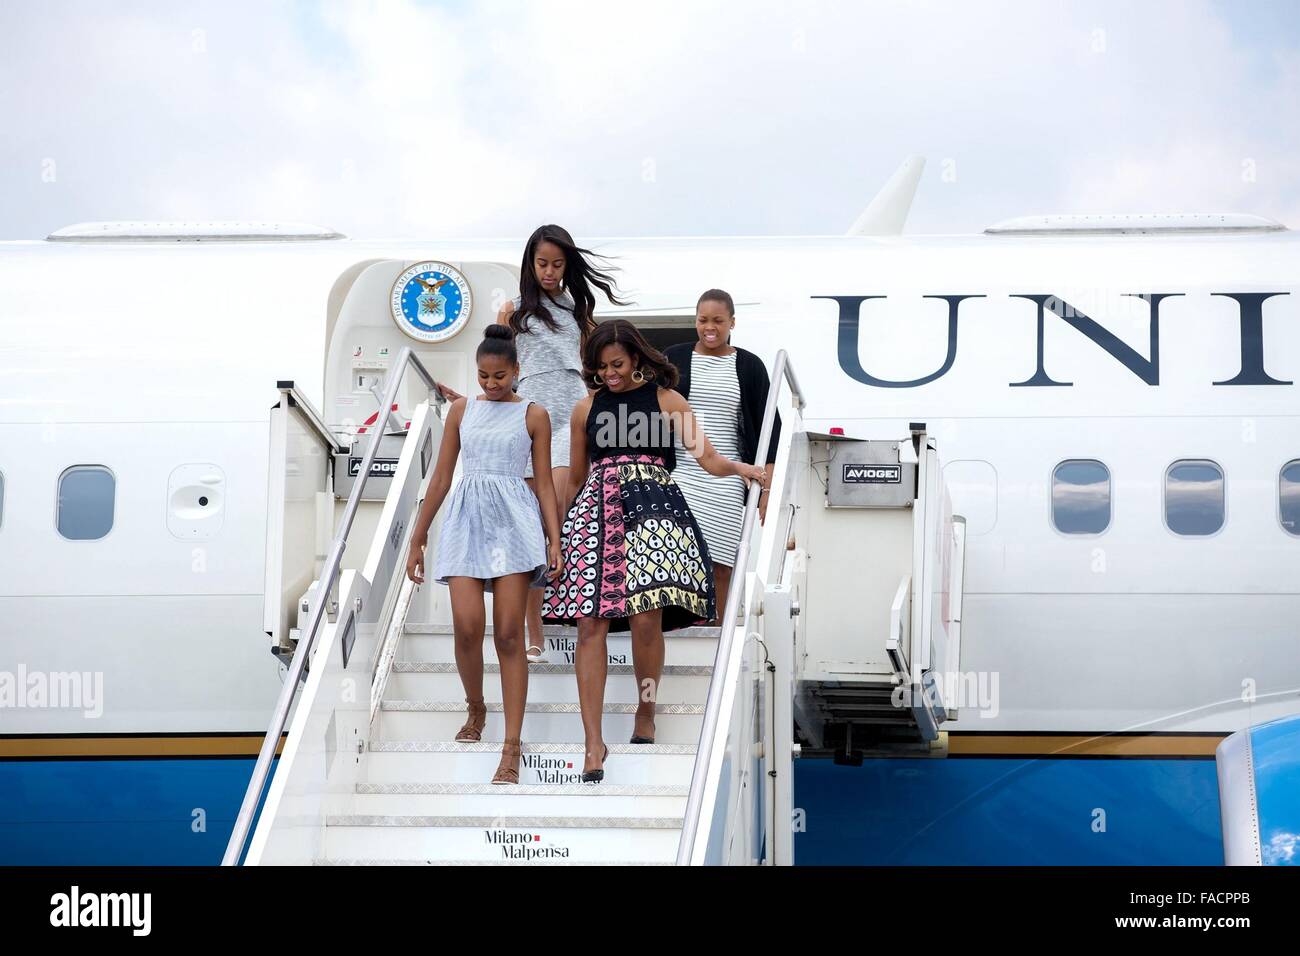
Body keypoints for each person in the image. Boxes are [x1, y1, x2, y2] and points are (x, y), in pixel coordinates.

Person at [541, 319, 767, 782]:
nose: (611, 375)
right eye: (602, 367)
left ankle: (646, 709)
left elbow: (707, 458)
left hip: (654, 508)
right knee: (590, 623)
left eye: (618, 365)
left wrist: (748, 469)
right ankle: (592, 742)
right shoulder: (585, 409)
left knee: (647, 617)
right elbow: (577, 477)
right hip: (596, 511)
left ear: (638, 359)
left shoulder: (668, 401)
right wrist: (556, 535)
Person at [405, 324, 563, 785]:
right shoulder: (459, 411)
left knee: (510, 634)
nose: (491, 385)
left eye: (499, 376)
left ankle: (511, 746)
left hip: (514, 520)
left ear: (517, 371)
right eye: (483, 376)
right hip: (465, 519)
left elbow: (545, 484)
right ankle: (476, 706)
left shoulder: (534, 415)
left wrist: (555, 538)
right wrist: (418, 536)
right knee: (467, 625)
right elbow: (439, 479)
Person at [499, 225, 629, 665]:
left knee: (562, 510)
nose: (550, 271)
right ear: (530, 264)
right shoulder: (512, 311)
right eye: (542, 264)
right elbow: (498, 366)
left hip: (572, 409)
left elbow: (597, 367)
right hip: (532, 410)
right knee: (536, 517)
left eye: (557, 264)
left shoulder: (578, 311)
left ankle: (576, 616)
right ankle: (533, 631)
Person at [664, 289, 780, 622]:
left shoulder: (748, 365)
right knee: (680, 554)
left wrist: (765, 489)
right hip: (682, 471)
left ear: (732, 322)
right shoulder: (674, 357)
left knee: (721, 564)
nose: (709, 327)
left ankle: (719, 630)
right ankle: (682, 623)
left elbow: (769, 428)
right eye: (702, 320)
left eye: (717, 320)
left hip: (730, 474)